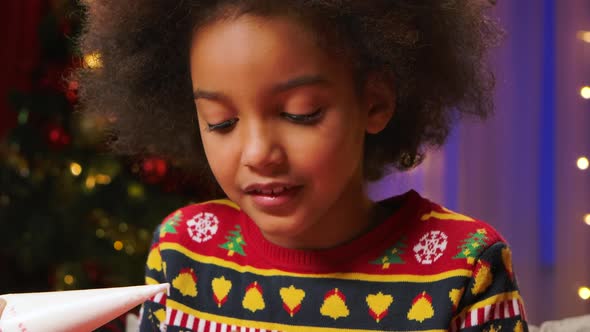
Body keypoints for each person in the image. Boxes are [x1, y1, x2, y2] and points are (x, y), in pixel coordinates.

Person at [76, 1, 528, 331]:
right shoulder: (184, 250)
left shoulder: (462, 267)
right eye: (222, 122)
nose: (257, 152)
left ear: (375, 102)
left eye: (299, 113)